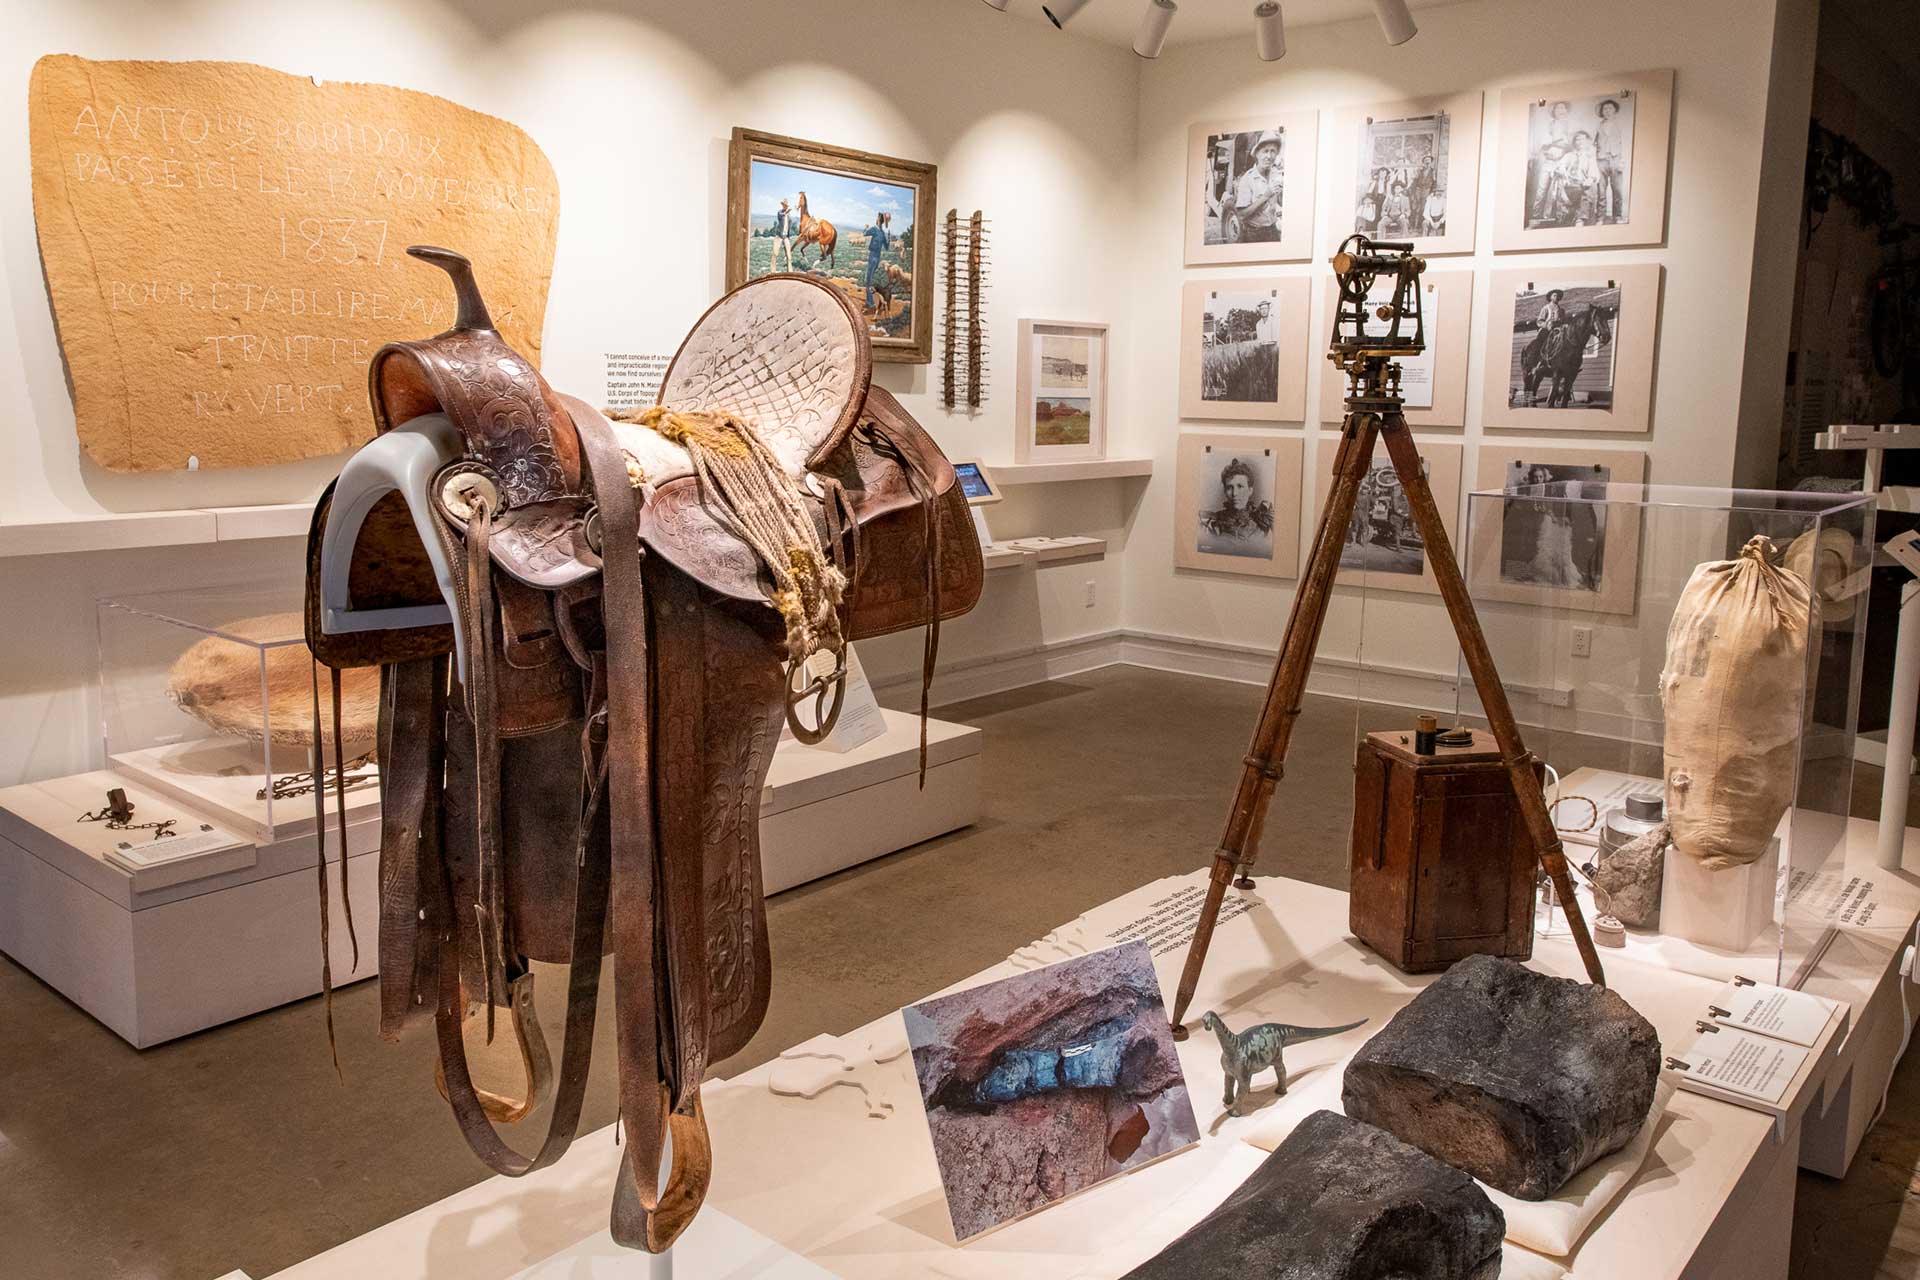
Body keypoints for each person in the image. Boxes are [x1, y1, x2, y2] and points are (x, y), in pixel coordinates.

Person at [1201, 457, 1275, 542]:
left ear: (1250, 490)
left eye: (1240, 486)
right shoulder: (1213, 522)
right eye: (1229, 487)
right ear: (1225, 491)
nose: (1235, 493)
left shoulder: (1265, 520)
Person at [1234, 131, 1285, 242]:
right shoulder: (1247, 179)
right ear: (1257, 154)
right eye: (1265, 151)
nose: (1269, 156)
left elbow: (1280, 203)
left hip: (1273, 231)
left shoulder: (1276, 174)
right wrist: (1266, 196)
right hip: (1253, 234)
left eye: (1273, 151)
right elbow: (1242, 215)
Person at [1530, 100, 1574, 224]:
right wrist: (1555, 143)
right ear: (1553, 111)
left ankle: (1552, 218)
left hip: (1562, 161)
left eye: (1563, 108)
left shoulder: (1569, 125)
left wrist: (1555, 143)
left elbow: (1570, 144)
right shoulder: (1549, 125)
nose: (1561, 110)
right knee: (1541, 189)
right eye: (1558, 108)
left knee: (1557, 191)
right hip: (1549, 160)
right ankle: (1535, 217)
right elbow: (1543, 144)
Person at [1557, 131, 1601, 225]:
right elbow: (1560, 165)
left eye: (1583, 139)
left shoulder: (1589, 157)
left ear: (1586, 142)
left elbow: (1594, 172)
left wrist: (1590, 179)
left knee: (1588, 189)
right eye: (1578, 139)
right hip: (1569, 185)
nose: (1580, 142)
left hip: (1582, 185)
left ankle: (1580, 219)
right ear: (1574, 142)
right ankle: (1564, 216)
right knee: (1560, 186)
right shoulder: (1569, 155)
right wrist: (1561, 169)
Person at [1595, 98, 1627, 223]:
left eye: (1610, 108)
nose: (1607, 111)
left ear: (1614, 110)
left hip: (1615, 158)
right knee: (1601, 189)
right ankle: (1600, 217)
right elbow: (1595, 143)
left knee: (1617, 189)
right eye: (1605, 108)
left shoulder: (1620, 124)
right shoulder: (1598, 126)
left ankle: (1617, 216)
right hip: (1601, 160)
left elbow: (1625, 143)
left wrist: (1622, 161)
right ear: (1602, 111)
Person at [863, 211, 893, 314]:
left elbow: (864, 234)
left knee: (868, 281)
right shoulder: (882, 233)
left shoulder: (874, 230)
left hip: (872, 257)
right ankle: (868, 301)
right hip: (877, 257)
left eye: (877, 217)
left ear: (878, 219)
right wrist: (889, 237)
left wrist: (866, 227)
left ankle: (871, 304)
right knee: (869, 279)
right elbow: (887, 247)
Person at [1408, 155, 1438, 228]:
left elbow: (1434, 182)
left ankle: (1419, 225)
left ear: (1431, 162)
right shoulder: (1420, 171)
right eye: (1426, 161)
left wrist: (1432, 192)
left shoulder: (1433, 171)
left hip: (1426, 190)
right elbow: (1415, 181)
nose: (1427, 162)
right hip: (1418, 190)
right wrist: (1412, 191)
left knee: (1423, 207)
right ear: (1423, 162)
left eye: (1429, 161)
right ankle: (1411, 224)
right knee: (1414, 206)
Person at [771, 197, 795, 272]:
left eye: (786, 205)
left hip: (785, 237)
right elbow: (780, 216)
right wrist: (786, 212)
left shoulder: (789, 216)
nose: (785, 206)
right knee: (775, 253)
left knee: (789, 255)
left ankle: (790, 271)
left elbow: (789, 225)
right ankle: (773, 271)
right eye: (784, 205)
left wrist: (788, 235)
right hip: (779, 236)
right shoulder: (780, 212)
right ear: (782, 205)